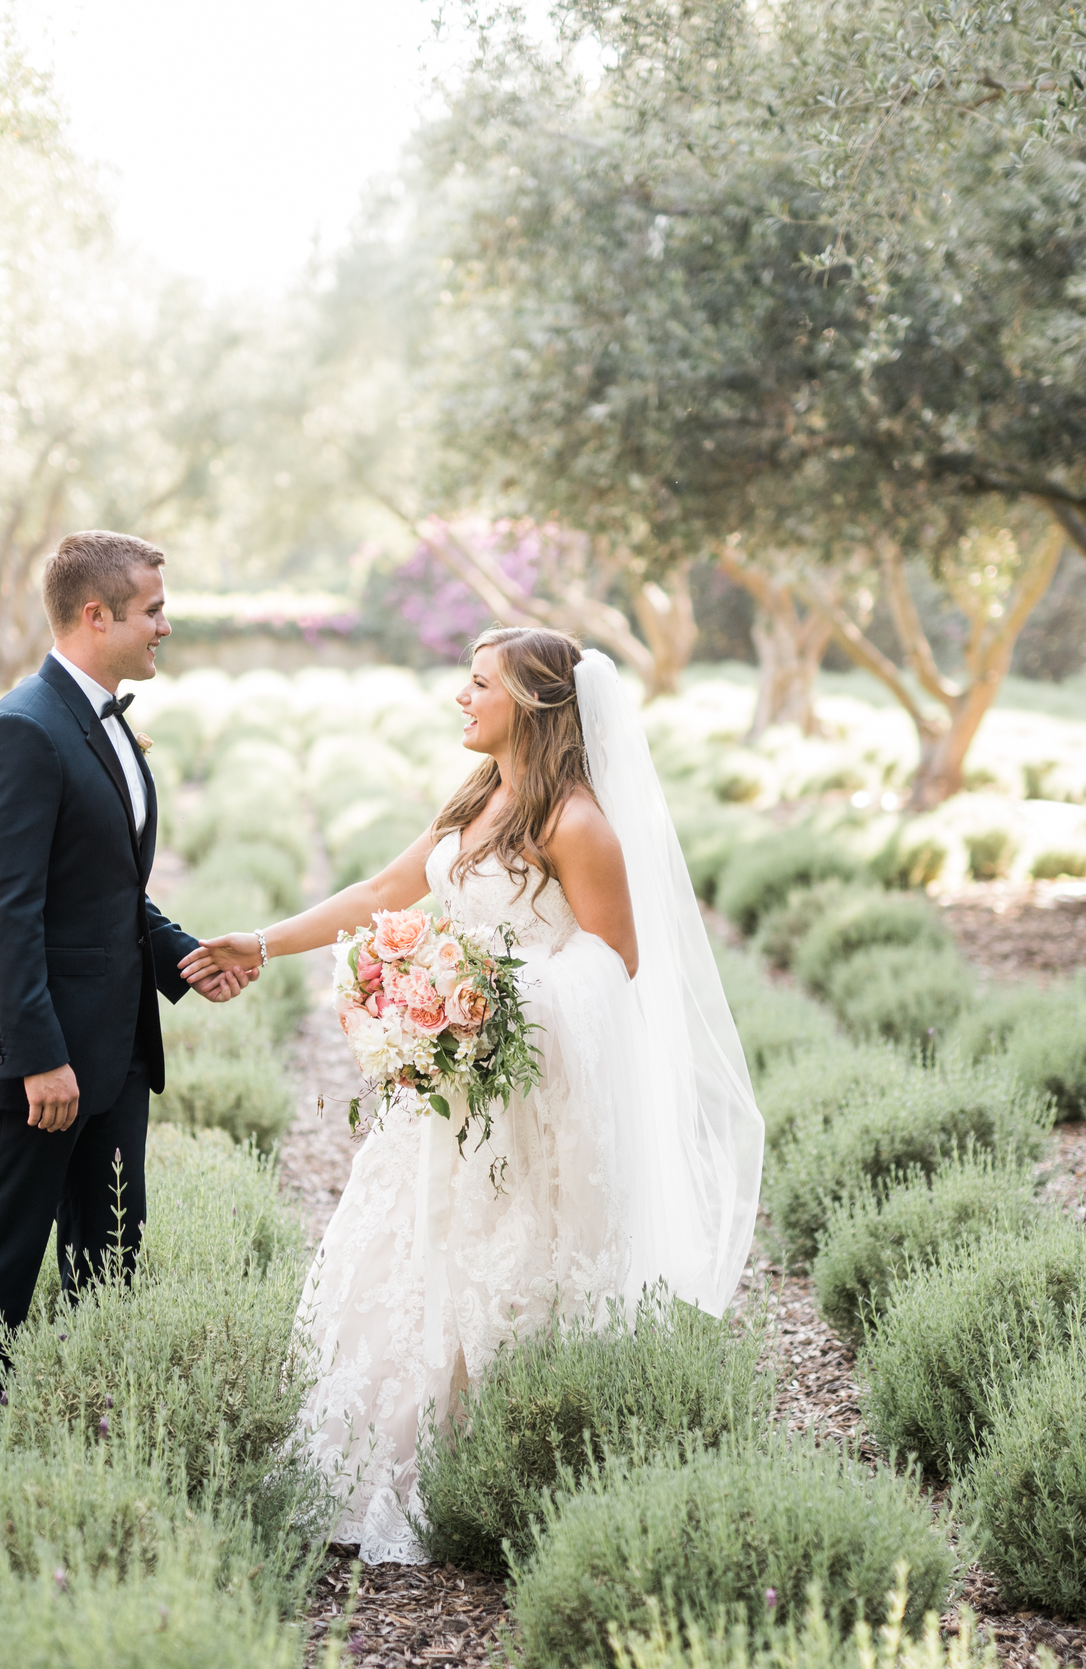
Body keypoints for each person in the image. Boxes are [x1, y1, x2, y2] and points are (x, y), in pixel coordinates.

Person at [181, 626, 763, 1562]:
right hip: (450, 1094)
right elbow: (383, 889)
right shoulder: (479, 800)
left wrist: (493, 1003)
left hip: (527, 1095)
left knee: (513, 1267)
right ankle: (392, 1468)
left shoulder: (577, 823)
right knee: (411, 1255)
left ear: (530, 702)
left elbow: (616, 961)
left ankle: (516, 1473)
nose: (462, 695)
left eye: (479, 681)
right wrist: (265, 940)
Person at [0, 528, 249, 1434]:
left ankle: (79, 1439)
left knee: (108, 1260)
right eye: (154, 610)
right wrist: (38, 1058)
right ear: (96, 614)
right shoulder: (21, 731)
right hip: (35, 1062)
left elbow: (108, 889)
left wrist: (185, 956)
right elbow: (4, 914)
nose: (166, 626)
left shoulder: (104, 715)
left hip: (114, 1049)